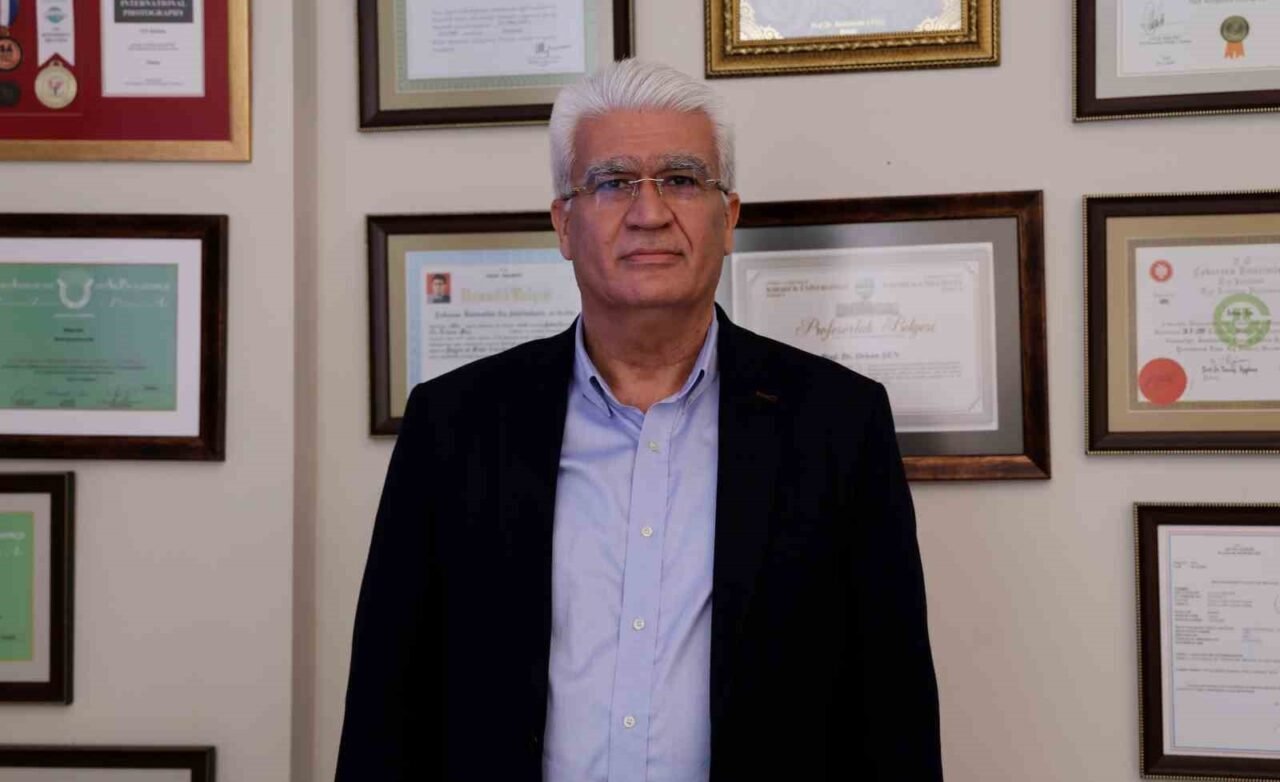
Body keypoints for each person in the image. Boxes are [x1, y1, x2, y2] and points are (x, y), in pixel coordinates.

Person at [336, 59, 941, 781]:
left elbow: (893, 711)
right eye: (612, 182)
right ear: (564, 223)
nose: (649, 212)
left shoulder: (838, 423)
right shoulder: (452, 425)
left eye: (682, 179)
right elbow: (385, 709)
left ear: (728, 219)